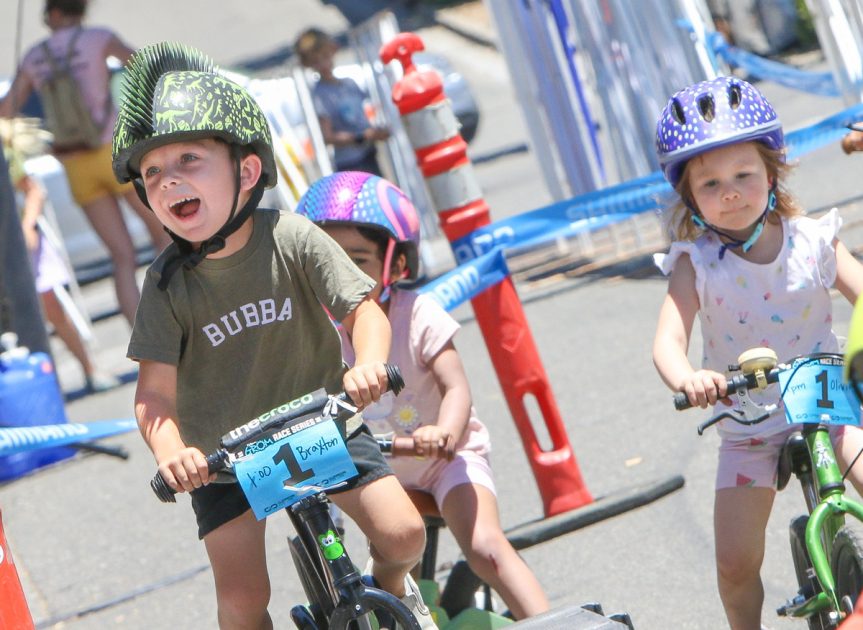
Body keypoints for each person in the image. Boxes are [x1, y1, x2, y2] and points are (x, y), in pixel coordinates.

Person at [111, 42, 436, 630]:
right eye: (152, 172)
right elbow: (153, 394)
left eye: (189, 158)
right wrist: (175, 454)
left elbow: (364, 311)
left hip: (322, 424)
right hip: (225, 462)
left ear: (247, 170)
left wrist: (367, 363)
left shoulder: (293, 237)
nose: (168, 180)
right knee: (241, 600)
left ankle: (393, 590)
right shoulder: (164, 285)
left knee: (403, 531)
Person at [652, 75, 863, 630]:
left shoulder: (813, 240)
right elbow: (668, 341)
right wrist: (689, 377)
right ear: (689, 199)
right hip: (748, 419)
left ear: (772, 172)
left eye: (744, 175)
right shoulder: (693, 263)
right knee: (734, 561)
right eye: (711, 184)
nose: (730, 192)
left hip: (827, 398)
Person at [295, 170, 550, 620]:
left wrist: (446, 432)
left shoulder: (417, 315)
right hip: (378, 473)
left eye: (358, 261)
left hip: (445, 462)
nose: (342, 276)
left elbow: (456, 386)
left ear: (395, 265)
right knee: (375, 568)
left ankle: (553, 624)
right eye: (328, 262)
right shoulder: (315, 338)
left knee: (486, 548)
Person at [0, 0, 171, 326]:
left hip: (75, 164)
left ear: (52, 15)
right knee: (163, 236)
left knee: (122, 257)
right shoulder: (98, 38)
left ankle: (145, 340)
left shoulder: (35, 57)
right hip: (116, 150)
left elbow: (6, 110)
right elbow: (148, 68)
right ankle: (181, 317)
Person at [1, 116, 119, 393]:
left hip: (19, 245)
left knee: (51, 307)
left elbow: (33, 191)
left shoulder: (5, 152)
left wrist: (27, 227)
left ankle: (89, 368)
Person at [295, 28, 390, 176]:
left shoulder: (349, 84)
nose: (323, 64)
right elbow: (328, 137)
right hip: (350, 164)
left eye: (325, 56)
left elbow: (374, 106)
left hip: (369, 153)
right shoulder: (319, 95)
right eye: (316, 61)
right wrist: (362, 137)